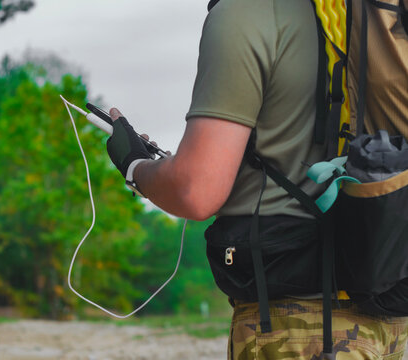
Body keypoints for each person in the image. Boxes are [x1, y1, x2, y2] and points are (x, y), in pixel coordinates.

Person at [105, 0, 408, 358]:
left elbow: (195, 191)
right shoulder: (373, 18)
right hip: (386, 315)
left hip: (294, 326)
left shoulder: (247, 12)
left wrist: (136, 166)